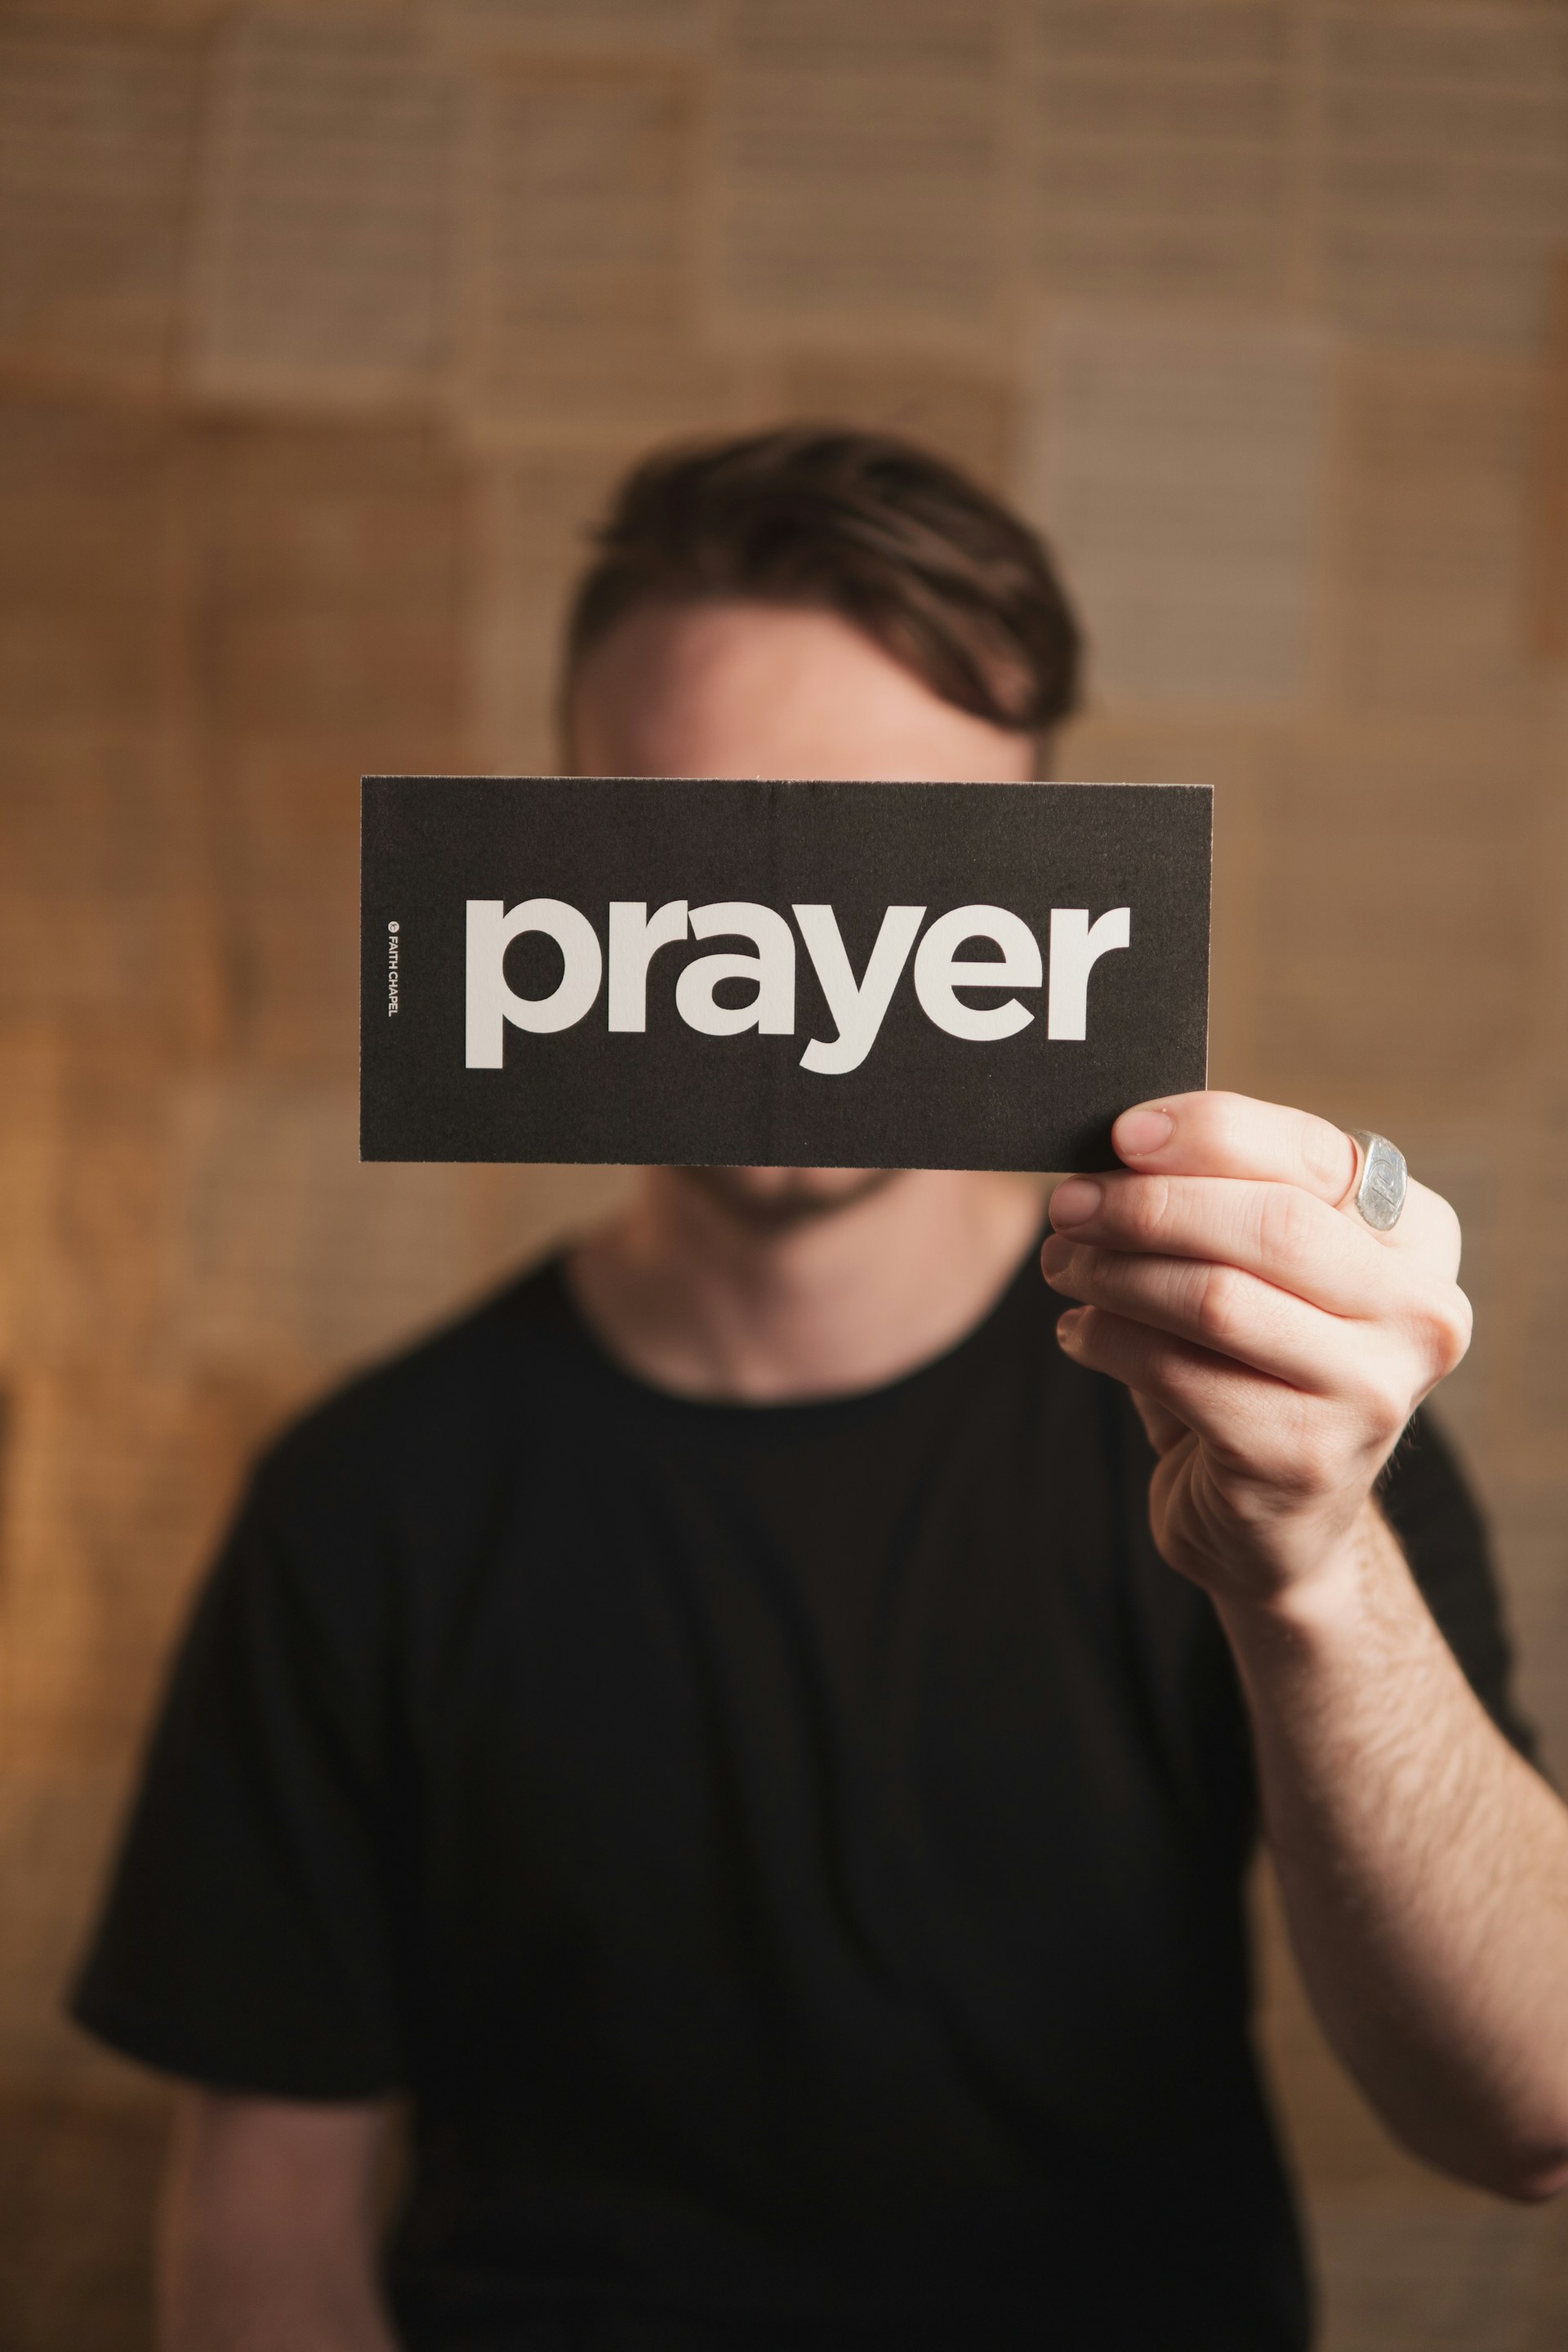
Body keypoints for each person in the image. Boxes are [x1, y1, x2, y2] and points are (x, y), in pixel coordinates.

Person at [74, 430, 1568, 2352]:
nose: (798, 941)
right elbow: (263, 2225)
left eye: (895, 852)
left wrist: (1303, 1575)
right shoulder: (362, 1499)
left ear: (1030, 868)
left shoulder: (1269, 1421)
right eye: (704, 840)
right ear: (568, 864)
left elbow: (1533, 2113)